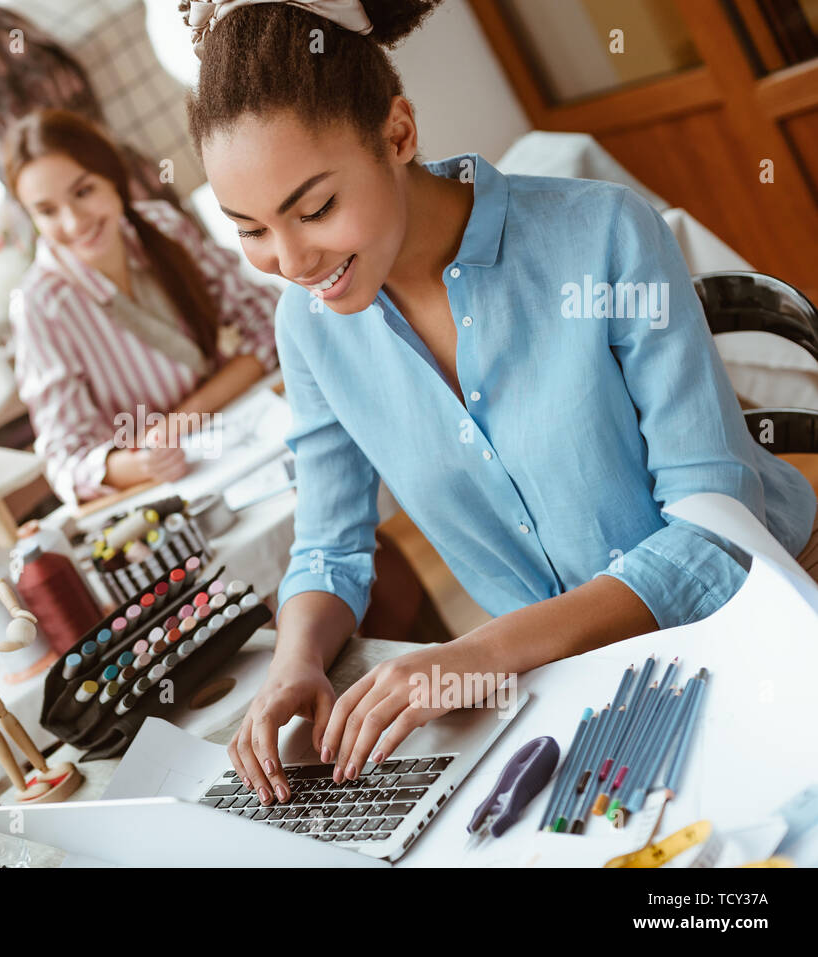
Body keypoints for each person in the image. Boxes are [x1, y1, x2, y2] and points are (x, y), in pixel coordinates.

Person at [182, 0, 818, 806]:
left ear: (399, 133)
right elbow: (328, 548)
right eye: (250, 229)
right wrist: (295, 662)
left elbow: (713, 536)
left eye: (314, 210)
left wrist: (478, 655)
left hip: (761, 612)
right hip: (573, 678)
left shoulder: (604, 236)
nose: (291, 259)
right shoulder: (309, 328)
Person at [4, 108, 280, 505]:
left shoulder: (164, 227)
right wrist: (146, 463)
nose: (74, 222)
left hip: (257, 427)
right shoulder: (39, 307)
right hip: (174, 490)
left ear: (112, 178)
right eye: (47, 211)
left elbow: (266, 322)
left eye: (84, 192)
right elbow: (66, 461)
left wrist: (181, 421)